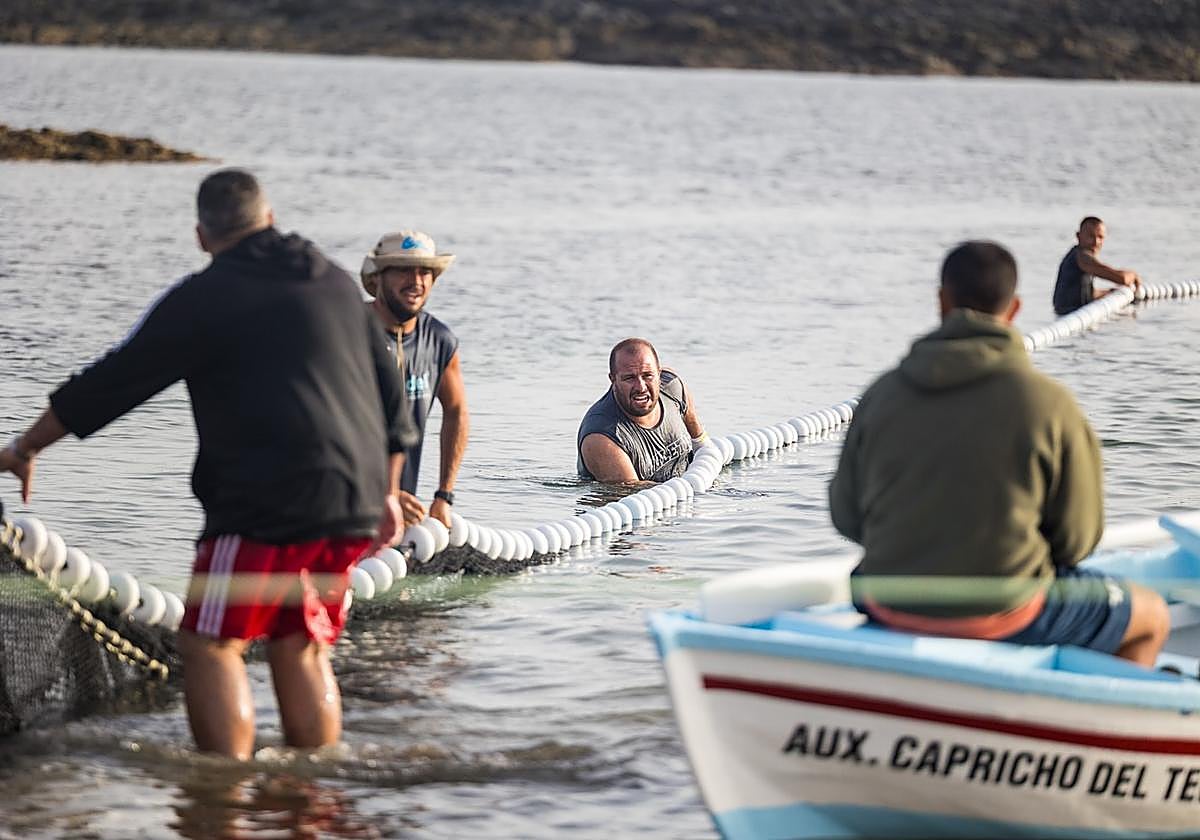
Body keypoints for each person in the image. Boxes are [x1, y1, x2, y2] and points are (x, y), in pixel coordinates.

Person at [0, 169, 424, 759]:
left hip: (264, 507)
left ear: (203, 236)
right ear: (270, 218)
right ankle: (316, 792)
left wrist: (26, 447)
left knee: (209, 644)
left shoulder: (206, 296)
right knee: (300, 644)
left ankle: (224, 796)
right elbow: (394, 404)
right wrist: (385, 494)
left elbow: (112, 382)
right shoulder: (332, 283)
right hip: (351, 504)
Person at [829, 241, 1169, 667]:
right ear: (1014, 310)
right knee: (1151, 614)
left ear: (941, 301)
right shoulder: (1051, 404)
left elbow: (846, 518)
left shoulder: (882, 395)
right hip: (1006, 612)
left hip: (888, 601)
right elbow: (1078, 541)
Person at [361, 230, 468, 528]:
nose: (417, 281)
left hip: (398, 508)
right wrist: (386, 493)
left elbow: (457, 412)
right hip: (343, 507)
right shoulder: (348, 333)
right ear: (378, 276)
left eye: (425, 272)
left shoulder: (440, 340)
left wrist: (444, 495)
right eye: (404, 270)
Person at [577, 338, 708, 484]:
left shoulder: (673, 387)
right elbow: (635, 497)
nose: (640, 387)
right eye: (629, 378)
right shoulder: (601, 438)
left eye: (647, 376)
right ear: (613, 380)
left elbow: (701, 443)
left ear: (659, 374)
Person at [1052, 216, 1142, 315]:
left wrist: (1109, 292)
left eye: (1100, 237)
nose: (1096, 242)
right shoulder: (1082, 257)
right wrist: (1133, 275)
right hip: (1068, 319)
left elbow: (1085, 294)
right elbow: (1122, 279)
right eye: (1090, 236)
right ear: (1078, 236)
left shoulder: (1079, 256)